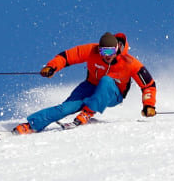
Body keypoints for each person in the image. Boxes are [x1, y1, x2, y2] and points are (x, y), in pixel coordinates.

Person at [13, 32, 156, 134]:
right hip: (90, 86)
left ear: (117, 49)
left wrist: (148, 105)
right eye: (103, 51)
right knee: (65, 108)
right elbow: (67, 56)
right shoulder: (92, 51)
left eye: (110, 51)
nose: (106, 55)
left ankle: (88, 113)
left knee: (106, 81)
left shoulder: (130, 63)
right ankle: (32, 125)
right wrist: (52, 67)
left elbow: (148, 85)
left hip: (113, 93)